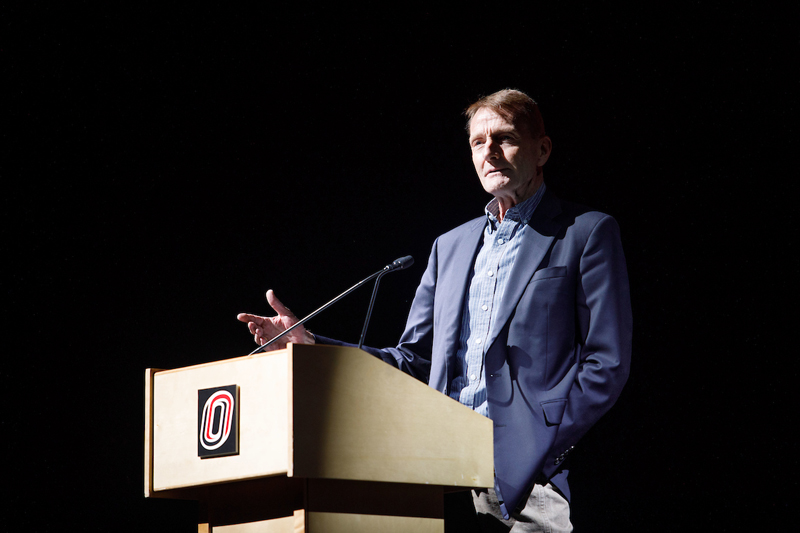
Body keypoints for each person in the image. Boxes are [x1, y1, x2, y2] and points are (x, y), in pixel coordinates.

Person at [238, 89, 632, 532]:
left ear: (542, 150)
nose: (491, 152)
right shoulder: (450, 247)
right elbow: (413, 361)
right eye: (478, 143)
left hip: (528, 479)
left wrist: (544, 445)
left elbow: (606, 363)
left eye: (505, 138)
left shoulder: (586, 232)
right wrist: (311, 343)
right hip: (437, 470)